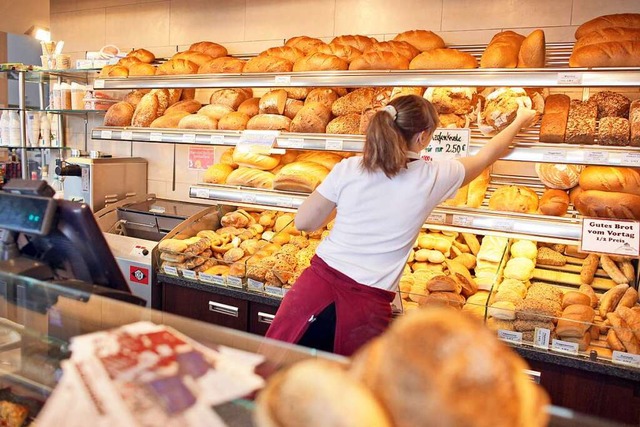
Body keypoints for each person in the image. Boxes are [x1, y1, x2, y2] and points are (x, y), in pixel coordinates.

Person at [265, 94, 536, 356]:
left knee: (273, 379)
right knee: (347, 394)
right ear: (422, 136)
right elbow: (487, 155)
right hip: (364, 307)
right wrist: (519, 120)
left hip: (313, 288)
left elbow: (304, 221)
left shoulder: (349, 167)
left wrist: (342, 208)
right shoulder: (434, 176)